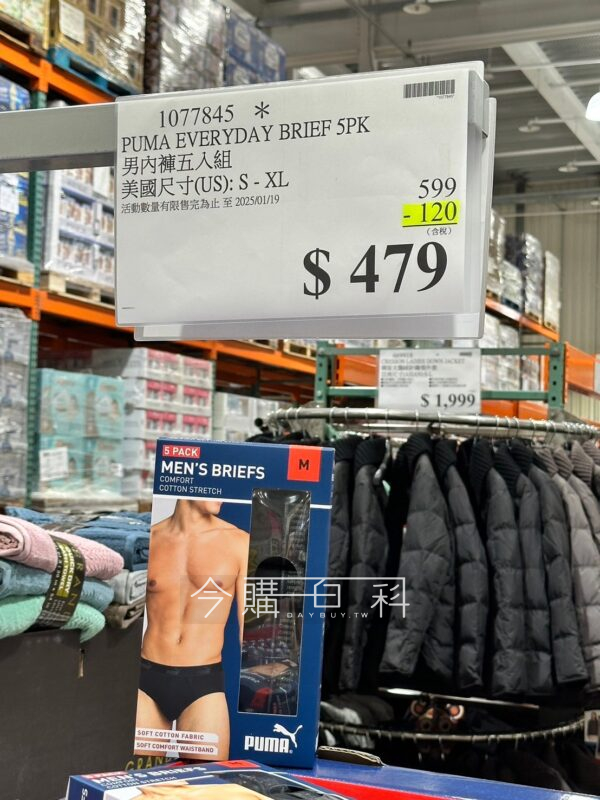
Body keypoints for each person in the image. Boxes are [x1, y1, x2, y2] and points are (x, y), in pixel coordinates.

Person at [135, 499, 249, 760]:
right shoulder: (148, 539)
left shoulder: (239, 542)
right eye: (213, 485)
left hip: (203, 684)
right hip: (146, 681)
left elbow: (251, 631)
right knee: (138, 780)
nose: (221, 496)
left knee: (206, 780)